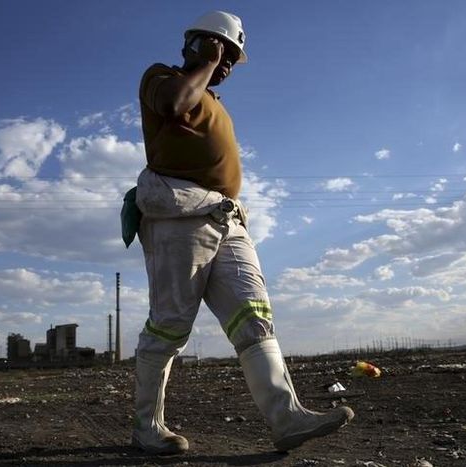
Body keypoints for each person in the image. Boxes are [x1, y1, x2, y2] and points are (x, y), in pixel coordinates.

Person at [132, 10, 354, 455]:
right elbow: (174, 104)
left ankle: (286, 418)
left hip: (226, 218)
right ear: (197, 44)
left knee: (253, 314)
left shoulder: (214, 101)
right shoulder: (163, 78)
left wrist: (212, 66)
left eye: (233, 57)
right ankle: (147, 427)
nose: (228, 63)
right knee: (171, 324)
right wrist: (207, 63)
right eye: (223, 51)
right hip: (178, 213)